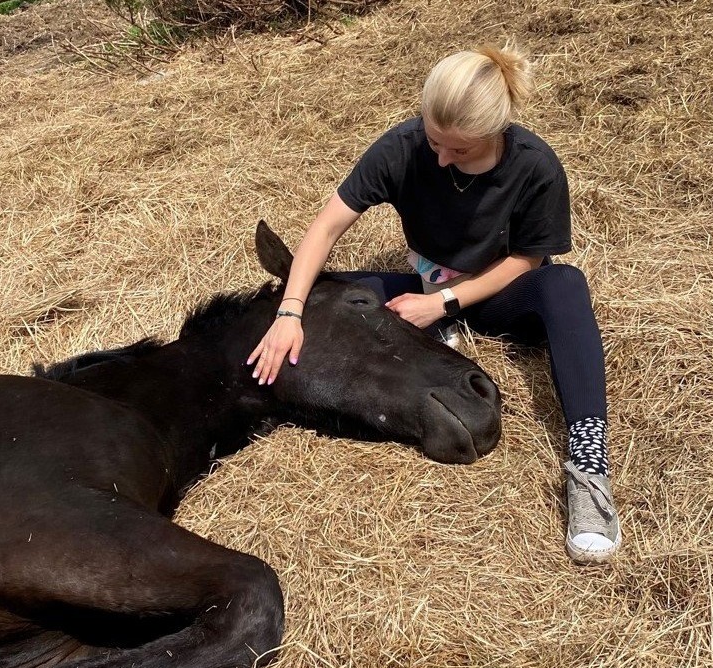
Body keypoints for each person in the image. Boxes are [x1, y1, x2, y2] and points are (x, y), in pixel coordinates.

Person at [246, 42, 621, 564]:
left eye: (458, 150)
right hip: (425, 282)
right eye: (433, 140)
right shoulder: (403, 144)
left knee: (566, 286)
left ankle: (589, 464)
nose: (441, 157)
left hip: (495, 290)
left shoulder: (536, 167)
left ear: (495, 133)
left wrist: (443, 304)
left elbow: (527, 261)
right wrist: (291, 310)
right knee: (331, 296)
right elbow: (329, 223)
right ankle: (316, 294)